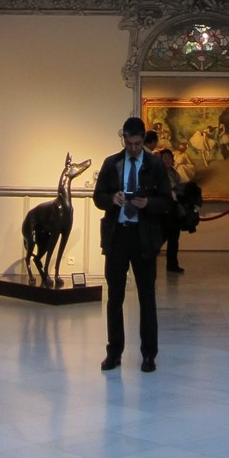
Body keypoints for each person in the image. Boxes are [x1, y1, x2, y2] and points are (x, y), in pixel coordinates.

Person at [93, 116, 172, 373]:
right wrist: (111, 199)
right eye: (130, 144)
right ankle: (114, 352)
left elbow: (166, 203)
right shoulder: (111, 163)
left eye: (138, 144)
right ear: (124, 139)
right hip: (118, 236)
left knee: (146, 297)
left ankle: (149, 354)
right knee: (114, 297)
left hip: (144, 237)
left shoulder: (155, 165)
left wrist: (148, 204)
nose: (134, 149)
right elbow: (98, 197)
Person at [157, 148, 185, 273]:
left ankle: (172, 264)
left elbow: (181, 187)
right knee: (163, 236)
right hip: (164, 208)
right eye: (165, 158)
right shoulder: (159, 174)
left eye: (169, 158)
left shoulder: (175, 173)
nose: (168, 160)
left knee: (174, 237)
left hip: (174, 208)